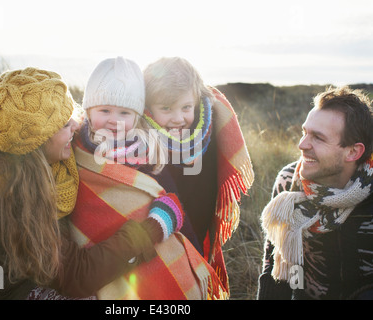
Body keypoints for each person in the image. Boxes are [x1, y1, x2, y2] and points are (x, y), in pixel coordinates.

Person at [0, 67, 183, 300]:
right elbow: (78, 277)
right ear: (36, 141)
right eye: (65, 124)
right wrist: (152, 228)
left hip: (35, 275)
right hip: (5, 289)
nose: (77, 126)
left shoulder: (39, 163)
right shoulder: (8, 198)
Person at [70, 56, 225, 299]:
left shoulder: (146, 152)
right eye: (104, 110)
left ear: (137, 116)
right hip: (93, 256)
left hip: (142, 247)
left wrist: (186, 247)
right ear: (88, 110)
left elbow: (166, 197)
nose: (113, 119)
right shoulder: (75, 148)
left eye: (124, 112)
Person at [143, 57, 254, 295]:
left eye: (186, 108)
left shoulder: (208, 129)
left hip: (198, 221)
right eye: (166, 109)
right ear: (148, 107)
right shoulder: (141, 138)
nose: (178, 118)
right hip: (158, 230)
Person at [258, 86, 373, 300]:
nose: (302, 145)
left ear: (353, 152)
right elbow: (275, 265)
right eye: (305, 132)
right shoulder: (288, 184)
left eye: (318, 138)